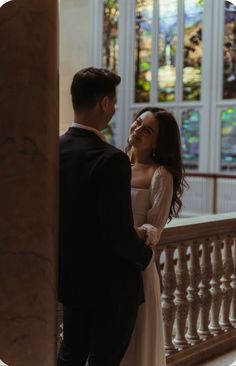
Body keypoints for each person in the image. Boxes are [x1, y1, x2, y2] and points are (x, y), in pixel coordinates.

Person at [57, 67, 154, 366]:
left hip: (71, 281)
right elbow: (118, 234)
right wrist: (145, 254)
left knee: (70, 355)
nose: (113, 108)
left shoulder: (54, 149)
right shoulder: (111, 158)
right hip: (110, 290)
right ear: (104, 103)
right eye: (113, 102)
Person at [121, 107, 187, 366]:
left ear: (159, 141)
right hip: (109, 263)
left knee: (137, 340)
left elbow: (153, 231)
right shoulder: (117, 162)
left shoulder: (161, 175)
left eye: (146, 130)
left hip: (137, 266)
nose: (137, 131)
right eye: (137, 123)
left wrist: (126, 231)